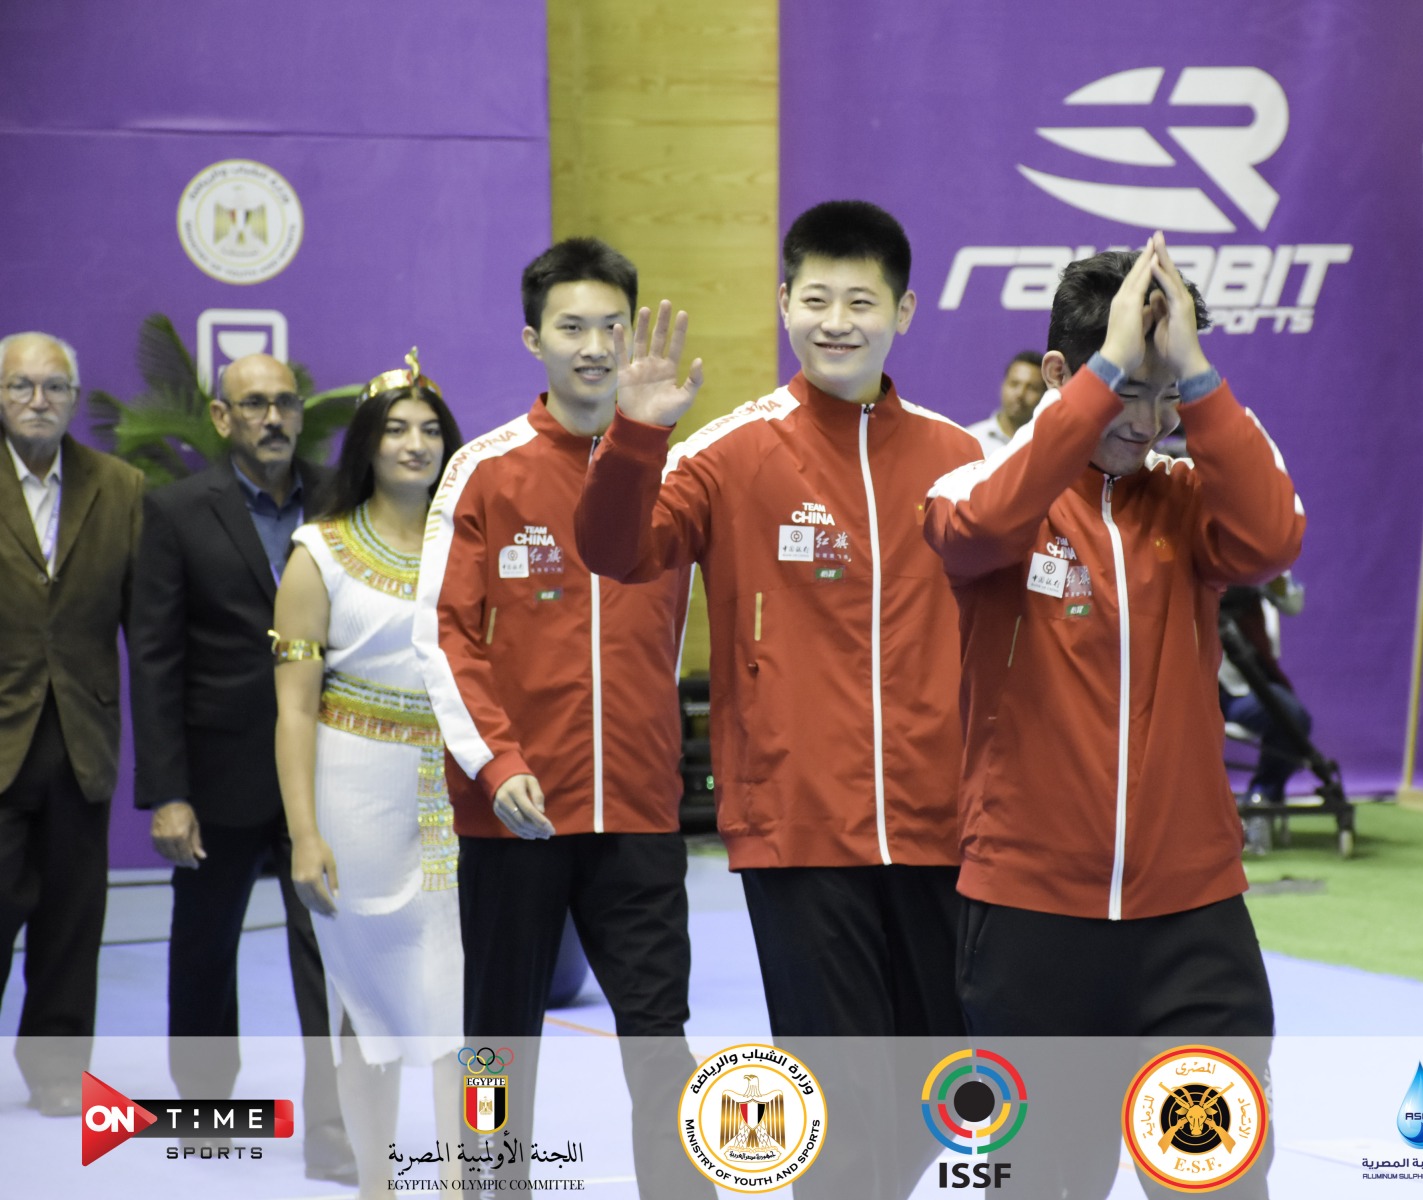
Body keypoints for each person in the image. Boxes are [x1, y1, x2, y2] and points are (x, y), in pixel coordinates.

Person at [575, 199, 982, 1197]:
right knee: (841, 1095)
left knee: (955, 1081)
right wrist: (636, 433)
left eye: (861, 302)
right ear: (784, 303)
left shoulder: (959, 460)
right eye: (817, 299)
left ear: (904, 312)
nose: (837, 322)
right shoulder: (730, 452)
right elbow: (613, 550)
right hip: (798, 826)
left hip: (940, 826)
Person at [922, 235, 1303, 1196]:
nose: (1151, 419)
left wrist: (1196, 378)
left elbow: (1272, 538)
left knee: (1220, 1183)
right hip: (1030, 922)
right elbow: (978, 530)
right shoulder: (975, 484)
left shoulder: (1189, 495)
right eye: (1130, 389)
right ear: (1064, 376)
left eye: (1167, 393)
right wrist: (1101, 382)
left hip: (1193, 922)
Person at [414, 239, 707, 1197]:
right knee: (498, 1044)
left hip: (639, 814)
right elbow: (443, 635)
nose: (593, 345)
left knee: (661, 1037)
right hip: (516, 815)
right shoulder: (483, 470)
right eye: (571, 326)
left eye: (611, 325)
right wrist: (496, 765)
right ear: (532, 338)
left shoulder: (673, 473)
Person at [128, 352, 351, 1178]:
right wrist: (168, 792)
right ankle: (204, 1110)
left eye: (285, 402)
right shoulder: (176, 512)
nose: (273, 418)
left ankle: (332, 1129)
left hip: (324, 775)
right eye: (254, 404)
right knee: (204, 949)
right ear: (222, 418)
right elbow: (154, 659)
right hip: (218, 776)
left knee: (327, 956)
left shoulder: (341, 500)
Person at [273, 352, 465, 1197]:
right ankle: (377, 1185)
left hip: (462, 794)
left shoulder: (473, 545)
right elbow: (293, 709)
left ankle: (468, 1181)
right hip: (353, 797)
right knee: (366, 1009)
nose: (415, 443)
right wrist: (304, 835)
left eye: (430, 429)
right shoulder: (317, 552)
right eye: (396, 429)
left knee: (468, 1009)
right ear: (367, 444)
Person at [0, 332, 141, 1116]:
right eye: (20, 386)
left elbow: (147, 630)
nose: (38, 401)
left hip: (82, 742)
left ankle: (56, 1074)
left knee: (72, 919)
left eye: (54, 387)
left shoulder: (119, 487)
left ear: (74, 399)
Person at [1219, 572, 1313, 855]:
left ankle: (1261, 799)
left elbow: (1293, 603)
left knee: (1291, 718)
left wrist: (1270, 573)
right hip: (1190, 681)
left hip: (1244, 686)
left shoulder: (1253, 562)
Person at [965, 350, 1046, 455]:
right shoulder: (972, 440)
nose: (1020, 394)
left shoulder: (1047, 447)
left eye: (1031, 388)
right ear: (1003, 385)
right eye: (1014, 384)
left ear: (1045, 394)